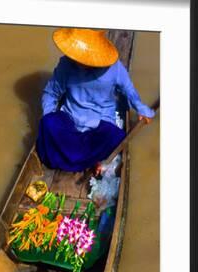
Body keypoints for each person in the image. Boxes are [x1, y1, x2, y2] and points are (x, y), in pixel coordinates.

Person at [36, 28, 155, 172]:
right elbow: (51, 92)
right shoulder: (66, 65)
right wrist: (49, 114)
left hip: (99, 124)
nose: (79, 62)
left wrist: (142, 109)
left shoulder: (114, 68)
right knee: (47, 123)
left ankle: (78, 158)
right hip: (70, 118)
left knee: (114, 137)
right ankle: (86, 159)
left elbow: (128, 90)